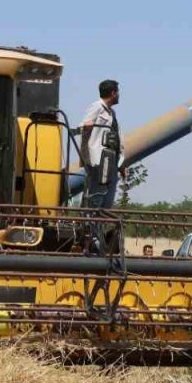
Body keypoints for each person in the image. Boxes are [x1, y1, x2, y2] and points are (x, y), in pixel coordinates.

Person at [81, 80, 124, 253]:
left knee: (106, 206)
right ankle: (93, 241)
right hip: (99, 161)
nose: (119, 95)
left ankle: (99, 240)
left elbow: (116, 139)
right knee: (96, 202)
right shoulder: (96, 107)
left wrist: (121, 164)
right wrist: (87, 159)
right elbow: (85, 127)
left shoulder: (111, 113)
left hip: (111, 163)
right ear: (113, 93)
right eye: (118, 92)